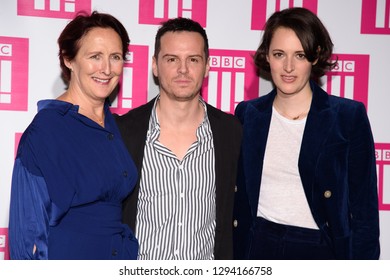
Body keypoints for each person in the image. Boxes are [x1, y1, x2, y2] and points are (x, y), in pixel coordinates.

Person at [233, 7, 380, 260]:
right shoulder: (248, 114)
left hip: (320, 250)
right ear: (267, 56)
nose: (288, 67)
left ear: (315, 56)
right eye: (279, 54)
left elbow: (364, 210)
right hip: (258, 246)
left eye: (300, 55)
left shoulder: (347, 117)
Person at [8, 11, 138, 260]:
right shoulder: (46, 130)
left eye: (115, 57)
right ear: (69, 59)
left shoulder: (114, 126)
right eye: (95, 57)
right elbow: (26, 234)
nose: (107, 69)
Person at [115, 17, 242, 260]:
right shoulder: (123, 132)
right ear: (155, 65)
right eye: (172, 59)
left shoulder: (231, 133)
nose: (183, 69)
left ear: (206, 66)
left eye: (193, 59)